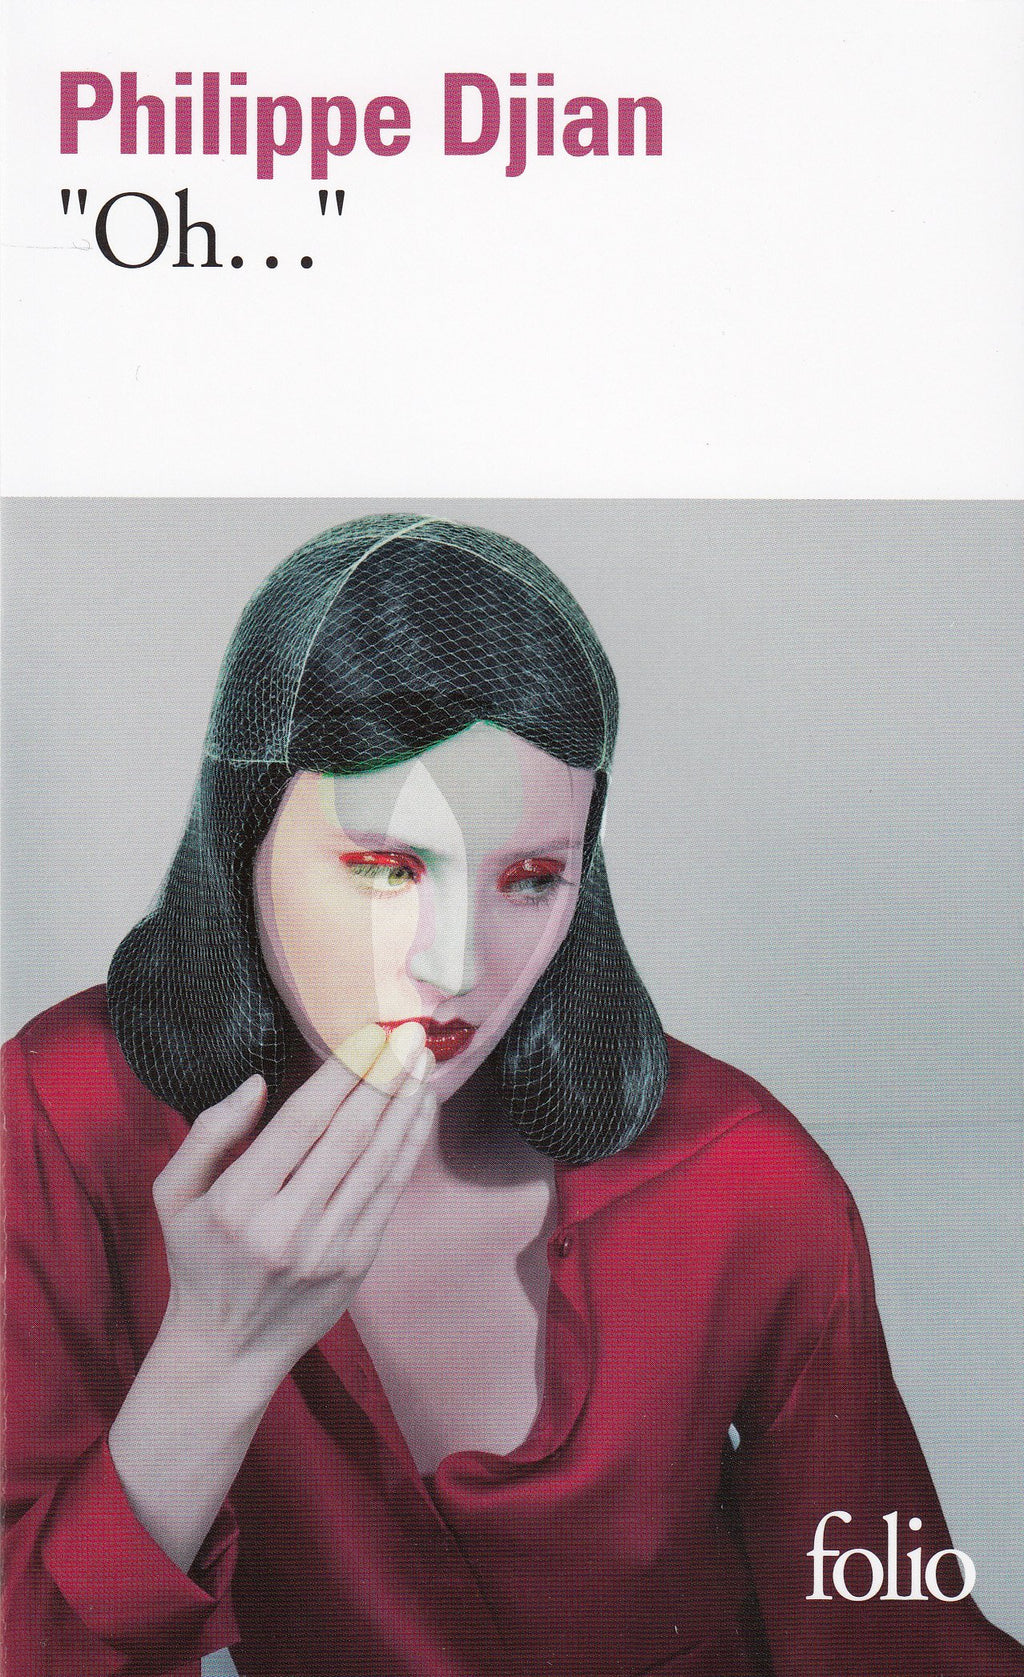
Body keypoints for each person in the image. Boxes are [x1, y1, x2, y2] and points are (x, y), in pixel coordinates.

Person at [3, 514, 1022, 1677]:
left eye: (532, 880)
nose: (453, 966)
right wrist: (214, 1357)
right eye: (385, 869)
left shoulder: (741, 1173)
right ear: (242, 838)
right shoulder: (62, 1114)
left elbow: (886, 1630)